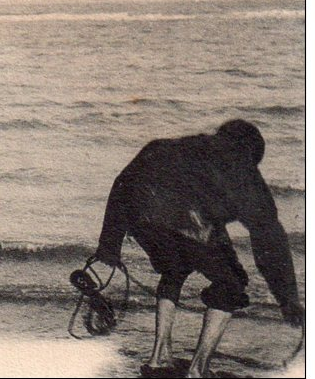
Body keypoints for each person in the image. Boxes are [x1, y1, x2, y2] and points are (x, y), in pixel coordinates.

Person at [93, 119, 303, 378]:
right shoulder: (241, 166)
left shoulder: (168, 146)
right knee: (232, 283)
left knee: (175, 268)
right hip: (187, 219)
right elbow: (268, 238)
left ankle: (159, 358)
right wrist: (288, 298)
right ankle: (198, 370)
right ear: (250, 150)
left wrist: (109, 245)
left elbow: (123, 183)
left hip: (140, 214)